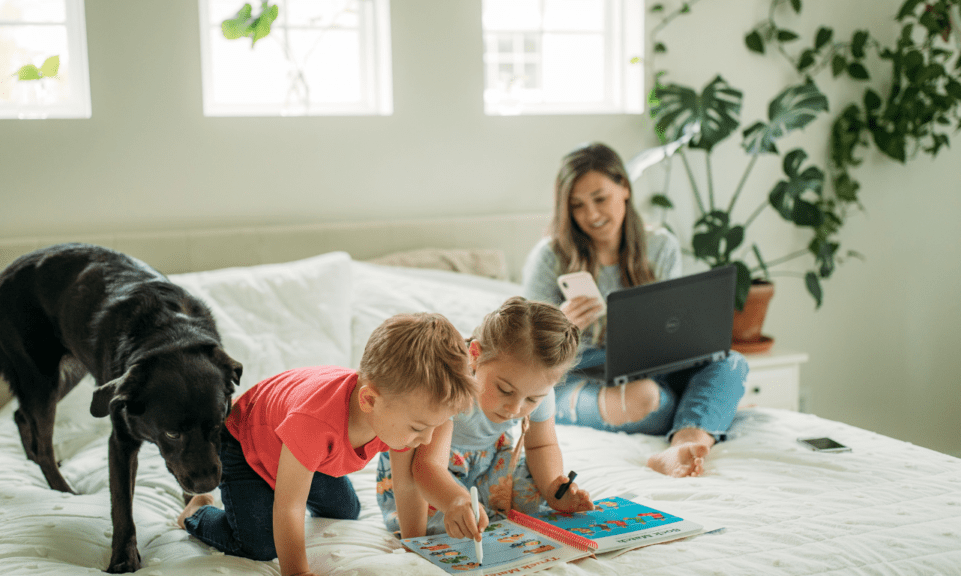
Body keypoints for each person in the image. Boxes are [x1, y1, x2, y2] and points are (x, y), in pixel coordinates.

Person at [177, 312, 478, 576]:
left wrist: (415, 548)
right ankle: (197, 511)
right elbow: (289, 505)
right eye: (419, 428)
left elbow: (407, 485)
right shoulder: (316, 422)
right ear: (369, 400)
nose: (426, 439)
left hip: (304, 451)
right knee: (259, 544)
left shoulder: (400, 413)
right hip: (246, 442)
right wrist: (297, 571)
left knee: (347, 510)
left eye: (434, 427)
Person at [521, 142, 748, 478]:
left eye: (600, 199)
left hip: (649, 365)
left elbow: (672, 329)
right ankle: (698, 414)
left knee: (732, 363)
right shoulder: (550, 257)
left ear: (624, 188)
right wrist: (562, 325)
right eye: (577, 206)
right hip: (578, 374)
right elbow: (524, 352)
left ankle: (684, 442)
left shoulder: (660, 246)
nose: (592, 215)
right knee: (647, 399)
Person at [376, 296, 595, 540]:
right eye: (505, 390)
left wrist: (553, 488)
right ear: (475, 356)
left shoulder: (539, 389)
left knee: (534, 500)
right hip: (433, 470)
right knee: (450, 525)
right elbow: (426, 466)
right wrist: (455, 501)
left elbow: (541, 444)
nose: (515, 408)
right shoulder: (450, 387)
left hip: (491, 461)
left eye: (532, 400)